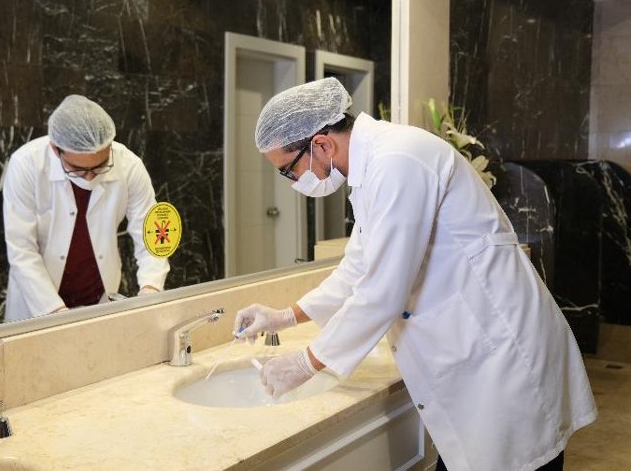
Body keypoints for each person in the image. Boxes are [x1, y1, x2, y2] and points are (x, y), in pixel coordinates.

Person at [234, 78, 596, 471]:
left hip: (503, 350)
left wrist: (306, 363)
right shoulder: (374, 170)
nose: (294, 183)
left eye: (289, 171)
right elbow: (357, 269)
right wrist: (285, 316)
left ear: (321, 144)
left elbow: (382, 292)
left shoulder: (398, 161)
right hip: (474, 349)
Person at [3, 95, 169, 321]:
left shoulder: (129, 166)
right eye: (78, 169)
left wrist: (151, 289)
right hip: (36, 305)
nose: (90, 176)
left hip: (99, 299)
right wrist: (56, 314)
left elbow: (153, 235)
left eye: (100, 166)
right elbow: (21, 250)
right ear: (55, 149)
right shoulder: (26, 165)